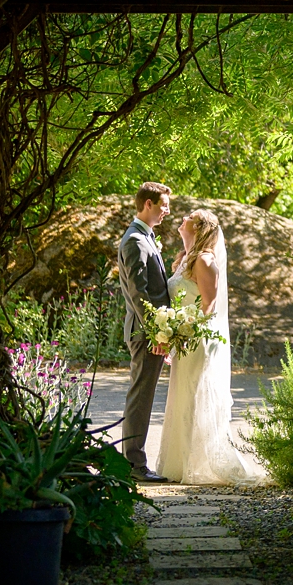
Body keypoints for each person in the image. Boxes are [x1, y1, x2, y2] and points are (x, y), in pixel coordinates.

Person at [155, 207, 266, 485]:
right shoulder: (185, 259)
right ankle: (180, 464)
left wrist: (183, 327)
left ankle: (201, 464)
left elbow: (209, 307)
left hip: (199, 341)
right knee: (183, 396)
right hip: (185, 340)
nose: (182, 219)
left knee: (195, 396)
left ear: (199, 227)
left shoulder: (205, 261)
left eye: (188, 217)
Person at [115, 182, 174, 481]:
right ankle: (134, 464)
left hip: (147, 331)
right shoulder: (136, 241)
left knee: (143, 395)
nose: (167, 210)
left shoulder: (144, 238)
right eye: (163, 205)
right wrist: (156, 334)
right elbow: (140, 294)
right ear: (147, 204)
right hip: (144, 332)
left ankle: (134, 462)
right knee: (140, 397)